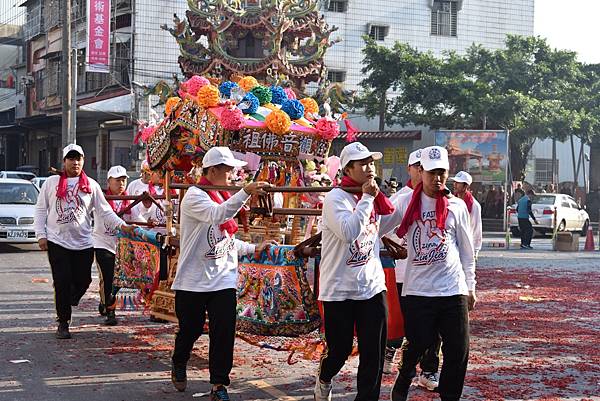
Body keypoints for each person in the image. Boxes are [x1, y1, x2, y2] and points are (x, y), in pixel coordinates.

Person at [170, 147, 276, 399]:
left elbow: (227, 240)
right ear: (213, 170)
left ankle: (219, 385)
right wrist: (244, 192)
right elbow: (218, 216)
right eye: (229, 170)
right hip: (193, 281)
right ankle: (179, 358)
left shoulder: (221, 196)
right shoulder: (195, 196)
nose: (233, 175)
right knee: (191, 329)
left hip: (223, 279)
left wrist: (252, 248)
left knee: (224, 332)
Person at [314, 142, 400, 401]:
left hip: (371, 287)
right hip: (339, 289)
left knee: (373, 354)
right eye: (363, 164)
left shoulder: (372, 199)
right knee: (339, 352)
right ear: (348, 168)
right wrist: (367, 199)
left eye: (371, 163)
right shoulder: (335, 198)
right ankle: (325, 376)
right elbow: (349, 232)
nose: (370, 168)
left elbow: (379, 228)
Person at [391, 146, 476, 401]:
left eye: (442, 173)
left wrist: (470, 286)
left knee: (458, 350)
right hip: (418, 291)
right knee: (418, 343)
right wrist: (391, 247)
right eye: (431, 173)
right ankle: (405, 374)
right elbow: (378, 226)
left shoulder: (456, 206)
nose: (437, 179)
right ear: (421, 171)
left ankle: (450, 396)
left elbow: (467, 251)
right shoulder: (405, 201)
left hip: (453, 289)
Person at [34, 144, 135, 339]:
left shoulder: (91, 185)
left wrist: (123, 226)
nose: (75, 162)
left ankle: (69, 298)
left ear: (83, 161)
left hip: (83, 242)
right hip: (57, 241)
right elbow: (40, 209)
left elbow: (105, 212)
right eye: (71, 158)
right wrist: (41, 235)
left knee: (84, 280)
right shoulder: (51, 183)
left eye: (78, 158)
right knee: (62, 281)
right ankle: (63, 322)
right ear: (64, 162)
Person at [383, 149, 421, 375]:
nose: (421, 171)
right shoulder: (399, 199)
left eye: (424, 168)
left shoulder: (438, 200)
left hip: (424, 274)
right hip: (400, 271)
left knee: (422, 326)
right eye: (417, 167)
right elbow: (379, 231)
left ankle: (425, 367)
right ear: (409, 169)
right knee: (397, 321)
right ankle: (390, 351)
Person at [93, 165, 142, 326]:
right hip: (102, 242)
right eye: (117, 180)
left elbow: (137, 217)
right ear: (109, 181)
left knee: (120, 279)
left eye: (123, 180)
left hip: (122, 245)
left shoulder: (129, 200)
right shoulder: (101, 198)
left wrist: (148, 223)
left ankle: (106, 302)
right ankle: (111, 311)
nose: (121, 184)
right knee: (108, 277)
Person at [451, 171, 482, 259]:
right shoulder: (451, 202)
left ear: (466, 186)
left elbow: (476, 228)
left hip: (467, 246)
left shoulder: (474, 206)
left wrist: (475, 251)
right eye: (454, 182)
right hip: (452, 244)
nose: (455, 185)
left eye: (458, 183)